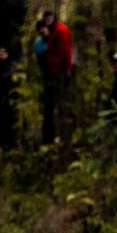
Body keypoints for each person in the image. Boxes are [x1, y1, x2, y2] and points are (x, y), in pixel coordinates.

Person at [41, 15, 73, 145]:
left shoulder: (60, 31)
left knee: (60, 104)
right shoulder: (54, 31)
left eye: (49, 20)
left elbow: (64, 53)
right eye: (46, 21)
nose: (47, 23)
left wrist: (64, 70)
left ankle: (62, 136)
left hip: (60, 72)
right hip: (55, 72)